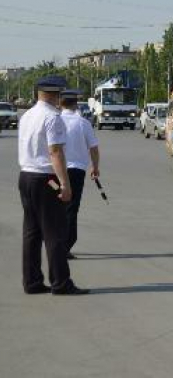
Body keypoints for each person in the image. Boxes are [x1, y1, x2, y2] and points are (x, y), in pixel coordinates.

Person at [17, 75, 88, 295]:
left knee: (32, 232)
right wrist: (64, 184)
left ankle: (32, 281)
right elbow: (55, 151)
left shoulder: (27, 115)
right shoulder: (52, 118)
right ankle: (61, 282)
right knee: (55, 231)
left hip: (26, 176)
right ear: (55, 94)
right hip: (46, 178)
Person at [59, 89, 100, 259]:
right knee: (71, 208)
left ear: (60, 103)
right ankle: (66, 245)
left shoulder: (55, 120)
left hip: (54, 172)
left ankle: (54, 244)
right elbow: (93, 148)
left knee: (55, 208)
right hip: (76, 172)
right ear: (76, 104)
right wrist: (95, 167)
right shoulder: (83, 123)